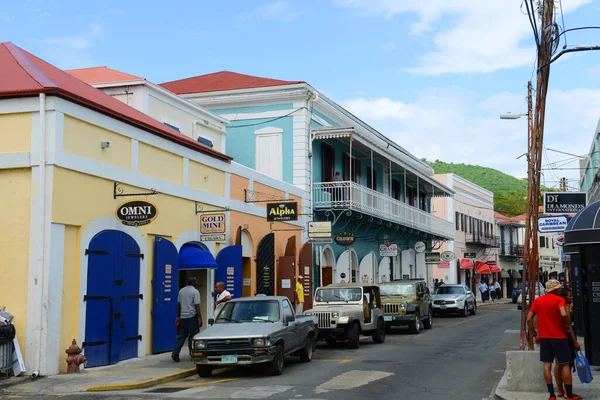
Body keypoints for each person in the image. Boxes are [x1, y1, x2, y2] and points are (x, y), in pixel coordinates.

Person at [527, 279, 581, 400]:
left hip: (544, 338)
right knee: (565, 365)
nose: (561, 290)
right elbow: (563, 314)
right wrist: (566, 323)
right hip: (560, 338)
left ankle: (552, 395)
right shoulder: (559, 300)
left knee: (547, 365)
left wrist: (534, 334)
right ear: (555, 289)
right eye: (559, 288)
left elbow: (529, 318)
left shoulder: (538, 300)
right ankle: (570, 395)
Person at [554, 287, 581, 399]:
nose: (572, 297)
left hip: (555, 337)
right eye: (570, 296)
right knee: (567, 365)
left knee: (558, 364)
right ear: (564, 297)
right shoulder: (565, 307)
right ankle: (567, 392)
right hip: (566, 338)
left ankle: (560, 390)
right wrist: (575, 342)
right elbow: (568, 326)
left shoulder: (557, 307)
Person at [172, 276, 202, 362]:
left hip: (183, 317)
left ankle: (175, 353)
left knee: (181, 336)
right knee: (193, 336)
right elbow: (197, 306)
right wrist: (200, 318)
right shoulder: (195, 291)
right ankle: (192, 353)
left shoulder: (181, 291)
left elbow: (179, 304)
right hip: (192, 316)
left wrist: (178, 316)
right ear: (194, 283)